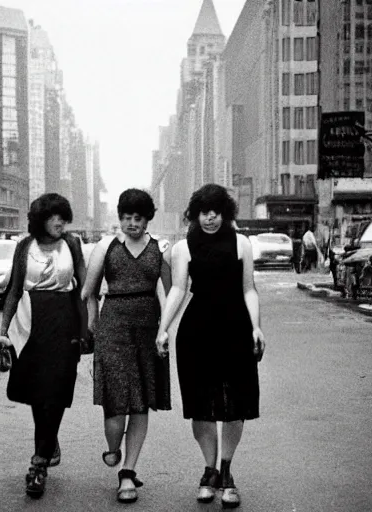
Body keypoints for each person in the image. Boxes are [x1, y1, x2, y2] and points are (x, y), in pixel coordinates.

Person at [155, 183, 265, 509]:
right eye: (204, 212)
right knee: (200, 405)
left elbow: (249, 290)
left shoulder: (241, 244)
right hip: (196, 332)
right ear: (195, 214)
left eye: (216, 211)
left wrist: (256, 327)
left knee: (235, 403)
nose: (210, 218)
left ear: (225, 214)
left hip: (236, 329)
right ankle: (209, 470)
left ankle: (227, 471)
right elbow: (177, 290)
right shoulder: (183, 248)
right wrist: (163, 329)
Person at [0, 193, 88, 499]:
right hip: (29, 324)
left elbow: (84, 288)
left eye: (63, 216)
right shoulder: (25, 246)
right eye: (52, 217)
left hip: (64, 322)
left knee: (58, 390)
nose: (59, 222)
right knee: (38, 391)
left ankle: (39, 464)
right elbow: (13, 290)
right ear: (40, 220)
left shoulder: (72, 244)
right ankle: (48, 441)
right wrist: (3, 332)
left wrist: (89, 327)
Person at [81, 188, 171, 504]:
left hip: (148, 328)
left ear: (147, 220)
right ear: (119, 218)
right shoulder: (106, 247)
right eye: (127, 218)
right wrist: (93, 323)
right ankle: (113, 447)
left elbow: (167, 293)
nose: (132, 224)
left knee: (141, 401)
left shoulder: (160, 248)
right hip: (113, 327)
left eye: (138, 218)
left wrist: (165, 330)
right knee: (115, 403)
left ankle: (128, 472)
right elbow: (89, 291)